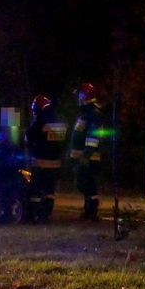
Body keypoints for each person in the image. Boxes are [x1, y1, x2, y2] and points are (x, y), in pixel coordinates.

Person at [25, 94, 67, 223]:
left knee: (36, 190)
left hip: (40, 162)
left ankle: (36, 214)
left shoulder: (39, 123)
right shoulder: (58, 122)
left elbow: (29, 137)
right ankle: (47, 213)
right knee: (50, 190)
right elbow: (62, 143)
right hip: (55, 163)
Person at [69, 83, 103, 221]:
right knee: (84, 183)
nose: (78, 98)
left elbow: (93, 136)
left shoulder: (93, 113)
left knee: (87, 184)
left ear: (84, 96)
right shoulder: (86, 113)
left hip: (88, 157)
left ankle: (92, 211)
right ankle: (89, 210)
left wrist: (86, 155)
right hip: (83, 156)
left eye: (80, 95)